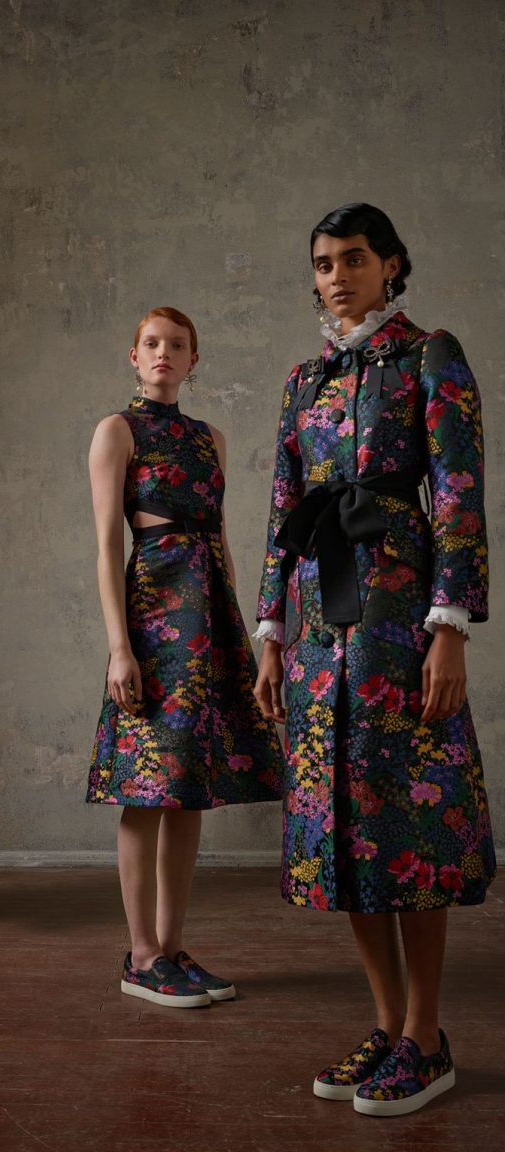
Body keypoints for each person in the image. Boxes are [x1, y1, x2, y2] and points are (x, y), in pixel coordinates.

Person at [254, 203, 495, 1115]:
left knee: (407, 816)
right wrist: (271, 633)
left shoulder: (431, 355)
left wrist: (449, 626)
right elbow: (285, 509)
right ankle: (390, 1026)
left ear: (391, 264)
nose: (337, 277)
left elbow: (459, 492)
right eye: (323, 264)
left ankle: (428, 1037)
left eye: (353, 259)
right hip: (320, 622)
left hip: (401, 616)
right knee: (344, 822)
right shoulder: (303, 380)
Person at [88, 307, 284, 1008]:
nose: (163, 353)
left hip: (209, 619)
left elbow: (219, 539)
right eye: (151, 343)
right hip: (152, 617)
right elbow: (108, 547)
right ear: (133, 356)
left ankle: (172, 949)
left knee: (188, 787)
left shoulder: (210, 440)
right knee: (147, 787)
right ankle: (141, 955)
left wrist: (244, 633)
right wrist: (119, 648)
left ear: (193, 360)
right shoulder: (118, 431)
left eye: (176, 345)